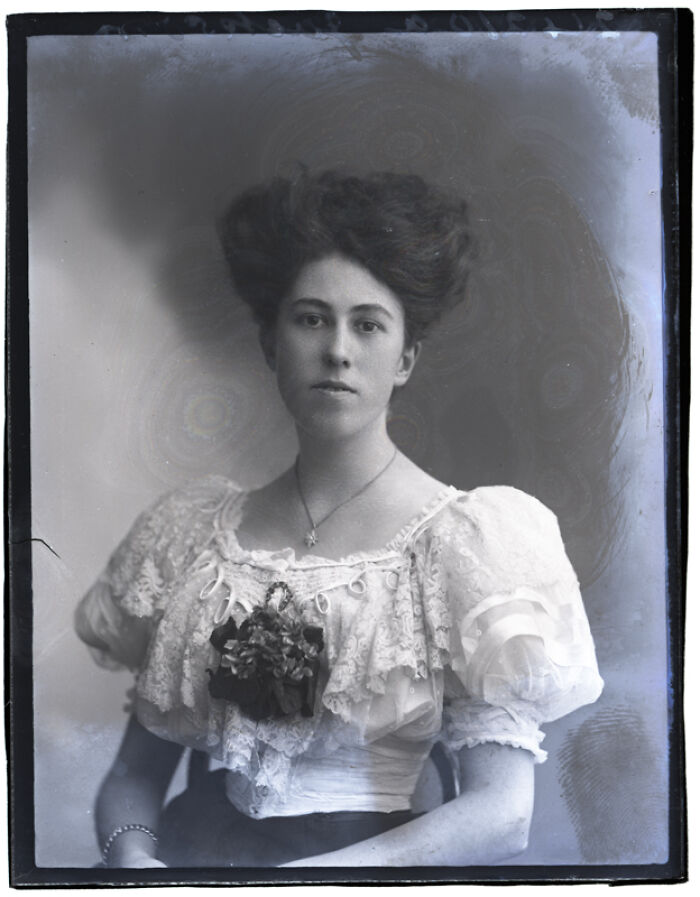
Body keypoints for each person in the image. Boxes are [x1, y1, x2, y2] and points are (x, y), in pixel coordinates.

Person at [74, 170, 604, 869]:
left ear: (406, 357)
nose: (338, 350)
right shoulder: (196, 540)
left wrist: (293, 887)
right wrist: (137, 866)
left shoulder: (465, 545)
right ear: (271, 345)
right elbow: (133, 780)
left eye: (369, 324)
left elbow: (501, 814)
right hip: (199, 857)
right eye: (311, 318)